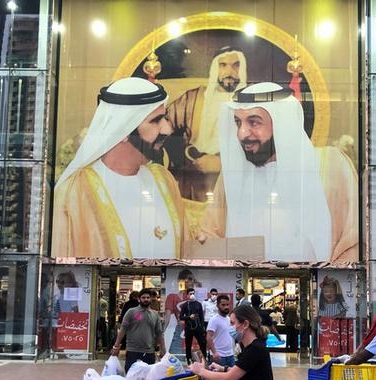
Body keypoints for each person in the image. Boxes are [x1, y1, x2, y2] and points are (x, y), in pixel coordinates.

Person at [199, 82, 358, 262]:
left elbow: (353, 242)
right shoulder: (233, 174)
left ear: (283, 123)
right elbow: (209, 234)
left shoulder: (329, 165)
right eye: (238, 123)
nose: (242, 133)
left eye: (254, 122)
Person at [52, 77, 187, 258]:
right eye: (156, 121)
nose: (167, 130)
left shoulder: (164, 181)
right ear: (123, 130)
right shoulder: (74, 192)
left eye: (166, 119)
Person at [165, 46, 247, 201]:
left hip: (237, 184)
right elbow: (164, 131)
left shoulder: (252, 104)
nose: (230, 72)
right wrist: (191, 156)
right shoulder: (192, 98)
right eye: (223, 65)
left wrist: (223, 164)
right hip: (191, 181)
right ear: (214, 69)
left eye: (236, 65)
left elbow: (263, 146)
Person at [196, 294, 240, 380]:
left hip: (230, 355)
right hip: (219, 356)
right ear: (218, 305)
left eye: (227, 305)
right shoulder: (214, 320)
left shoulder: (229, 319)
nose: (226, 307)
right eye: (223, 305)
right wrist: (214, 352)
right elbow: (208, 337)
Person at [111, 288, 166, 372]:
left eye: (148, 297)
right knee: (131, 378)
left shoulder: (155, 315)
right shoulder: (131, 312)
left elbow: (159, 333)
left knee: (148, 379)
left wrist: (163, 349)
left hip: (149, 352)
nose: (146, 299)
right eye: (143, 298)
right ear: (139, 299)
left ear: (151, 299)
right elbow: (123, 329)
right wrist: (116, 346)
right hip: (133, 351)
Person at [180, 288, 207, 364]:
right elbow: (181, 317)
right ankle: (189, 360)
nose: (192, 295)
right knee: (188, 345)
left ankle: (204, 359)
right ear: (187, 295)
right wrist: (189, 317)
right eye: (190, 294)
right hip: (189, 327)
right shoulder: (185, 305)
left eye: (193, 293)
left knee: (202, 343)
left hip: (198, 327)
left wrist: (202, 328)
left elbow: (202, 317)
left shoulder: (198, 304)